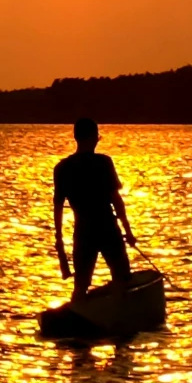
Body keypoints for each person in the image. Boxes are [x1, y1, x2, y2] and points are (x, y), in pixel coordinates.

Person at [52, 119, 135, 298]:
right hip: (108, 229)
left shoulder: (62, 168)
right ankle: (124, 315)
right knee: (122, 278)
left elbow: (57, 207)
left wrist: (59, 237)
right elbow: (116, 200)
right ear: (94, 138)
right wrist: (128, 231)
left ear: (76, 137)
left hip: (83, 232)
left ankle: (79, 317)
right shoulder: (104, 162)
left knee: (81, 286)